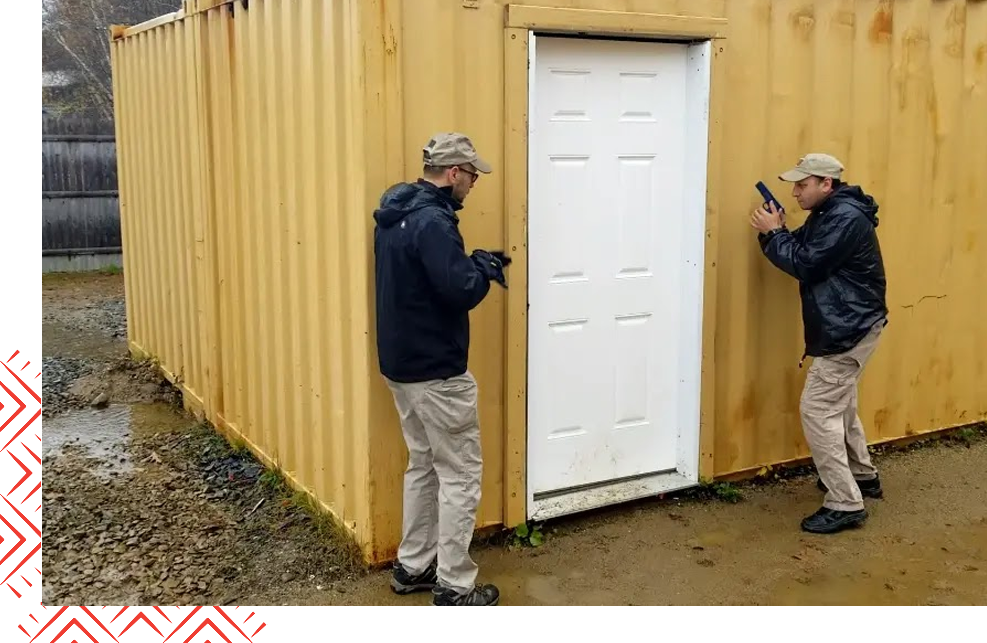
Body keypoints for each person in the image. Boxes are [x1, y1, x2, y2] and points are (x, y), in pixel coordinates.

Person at [372, 132, 509, 607]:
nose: (473, 184)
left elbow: (424, 281)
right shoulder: (433, 221)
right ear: (453, 173)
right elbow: (459, 290)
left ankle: (414, 565)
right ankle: (453, 584)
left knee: (424, 465)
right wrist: (483, 269)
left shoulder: (395, 214)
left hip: (401, 366)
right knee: (460, 473)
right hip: (436, 372)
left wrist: (471, 264)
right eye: (471, 175)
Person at [750, 153, 888, 535]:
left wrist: (774, 234)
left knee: (817, 408)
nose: (795, 192)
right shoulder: (831, 213)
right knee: (839, 405)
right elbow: (801, 249)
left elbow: (806, 263)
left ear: (826, 184)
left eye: (802, 184)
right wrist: (775, 231)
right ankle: (861, 476)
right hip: (852, 321)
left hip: (848, 326)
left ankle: (845, 502)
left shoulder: (843, 218)